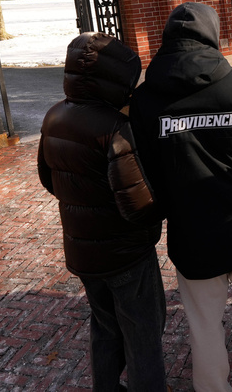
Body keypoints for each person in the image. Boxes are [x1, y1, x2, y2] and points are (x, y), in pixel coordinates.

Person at [130, 2, 232, 392]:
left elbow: (143, 170)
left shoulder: (146, 101)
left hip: (191, 230)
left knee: (203, 323)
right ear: (212, 37)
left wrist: (173, 204)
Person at [38, 32, 166, 392]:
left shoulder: (53, 117)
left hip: (81, 251)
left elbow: (49, 180)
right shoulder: (114, 128)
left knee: (105, 327)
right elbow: (138, 207)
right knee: (143, 336)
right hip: (125, 254)